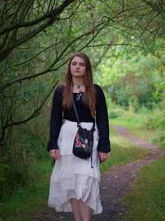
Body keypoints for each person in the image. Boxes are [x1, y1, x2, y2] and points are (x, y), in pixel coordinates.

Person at [47, 52, 111, 221]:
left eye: (81, 64)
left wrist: (104, 145)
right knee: (72, 184)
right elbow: (55, 119)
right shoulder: (61, 91)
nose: (77, 66)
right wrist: (53, 144)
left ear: (86, 68)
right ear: (70, 67)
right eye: (74, 63)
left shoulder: (95, 90)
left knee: (87, 183)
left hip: (89, 139)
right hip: (67, 140)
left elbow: (103, 119)